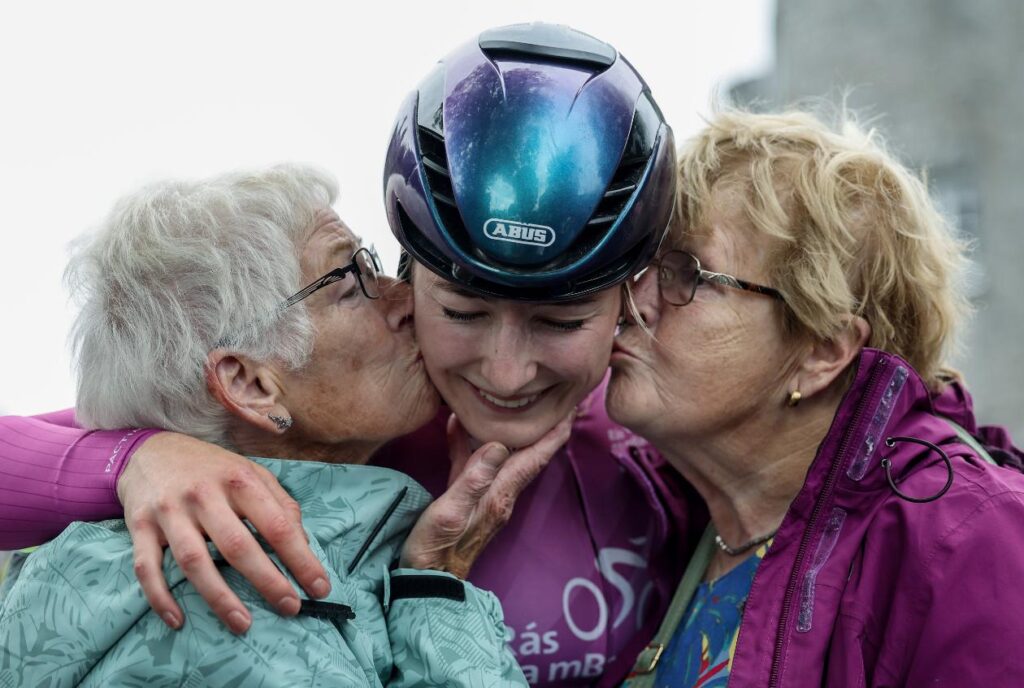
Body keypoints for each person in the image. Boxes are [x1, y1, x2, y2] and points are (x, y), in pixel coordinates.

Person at [0, 24, 696, 687]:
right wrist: (134, 458)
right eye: (458, 311)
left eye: (562, 321)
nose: (506, 372)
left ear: (630, 301)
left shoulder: (660, 435)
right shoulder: (226, 558)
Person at [0, 164, 572, 686]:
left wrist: (430, 576)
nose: (406, 300)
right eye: (351, 284)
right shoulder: (226, 602)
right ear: (250, 385)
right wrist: (436, 594)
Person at [609, 109, 1024, 687]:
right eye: (643, 266)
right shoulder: (668, 520)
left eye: (687, 272)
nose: (633, 301)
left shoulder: (972, 541)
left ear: (821, 350)